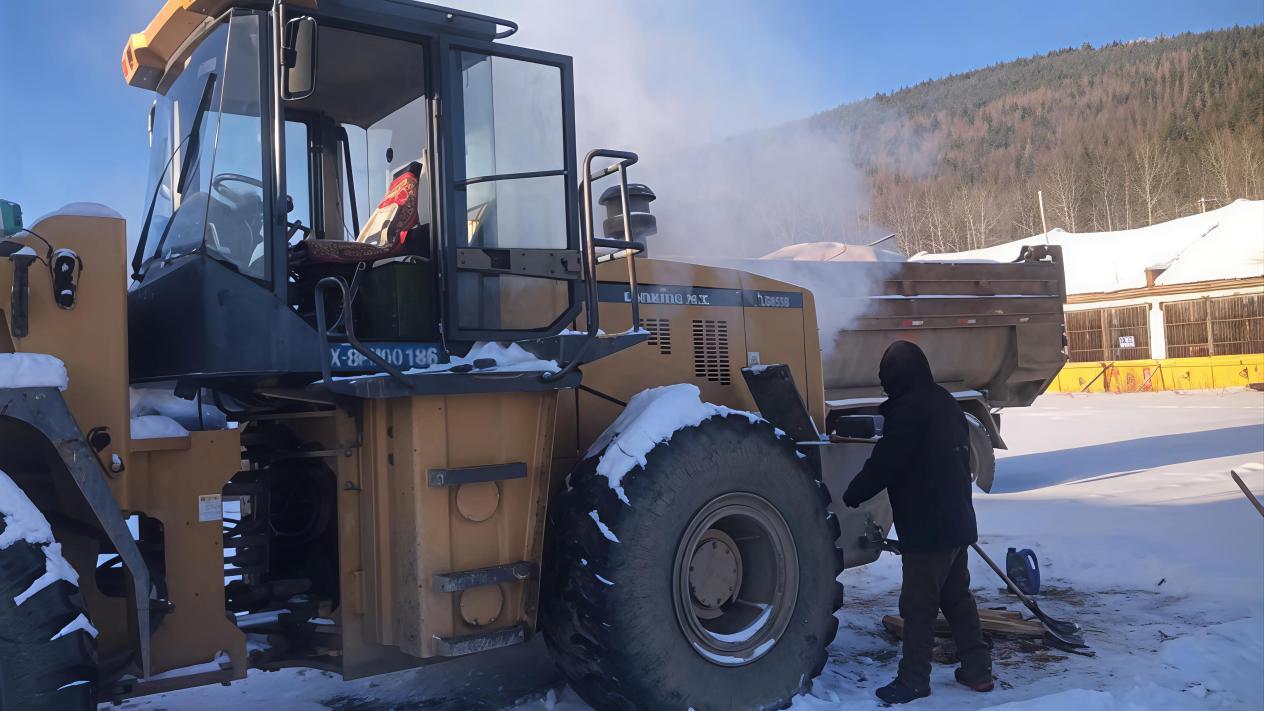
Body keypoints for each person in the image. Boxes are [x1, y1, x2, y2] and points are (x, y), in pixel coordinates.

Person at [842, 340, 993, 704]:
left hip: (929, 528)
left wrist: (854, 493)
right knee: (957, 599)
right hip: (956, 521)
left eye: (887, 379)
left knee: (918, 607)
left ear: (898, 377)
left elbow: (888, 459)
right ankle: (978, 672)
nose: (885, 387)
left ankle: (913, 681)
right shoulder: (944, 401)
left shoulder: (909, 409)